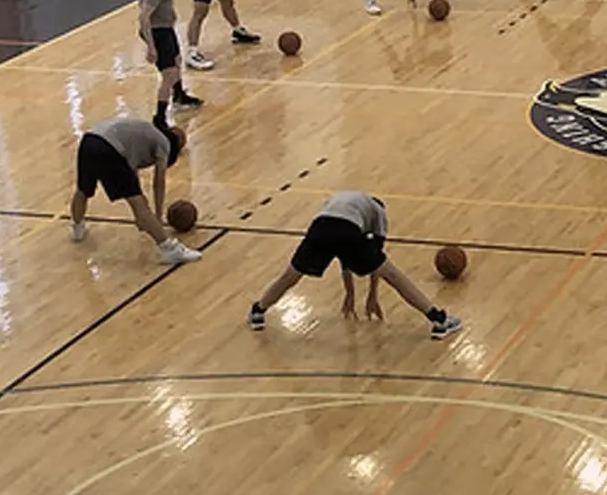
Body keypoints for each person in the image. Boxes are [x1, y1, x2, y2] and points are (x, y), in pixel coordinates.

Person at [248, 191, 462, 340]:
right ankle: (438, 320)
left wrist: (350, 292)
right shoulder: (378, 212)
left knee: (290, 276)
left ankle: (258, 311)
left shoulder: (341, 200)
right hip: (345, 229)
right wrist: (372, 295)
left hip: (320, 226)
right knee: (393, 275)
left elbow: (343, 255)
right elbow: (377, 260)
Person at [68, 117, 200, 265]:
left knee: (83, 190)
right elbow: (158, 182)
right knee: (138, 203)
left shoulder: (143, 133)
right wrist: (157, 215)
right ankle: (169, 249)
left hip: (89, 141)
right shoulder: (164, 144)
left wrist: (142, 212)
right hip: (108, 149)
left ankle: (77, 229)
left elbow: (131, 171)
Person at [138, 0, 202, 127]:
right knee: (169, 75)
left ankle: (179, 96)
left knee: (176, 60)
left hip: (165, 29)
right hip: (156, 32)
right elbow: (143, 17)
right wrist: (151, 47)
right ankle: (159, 118)